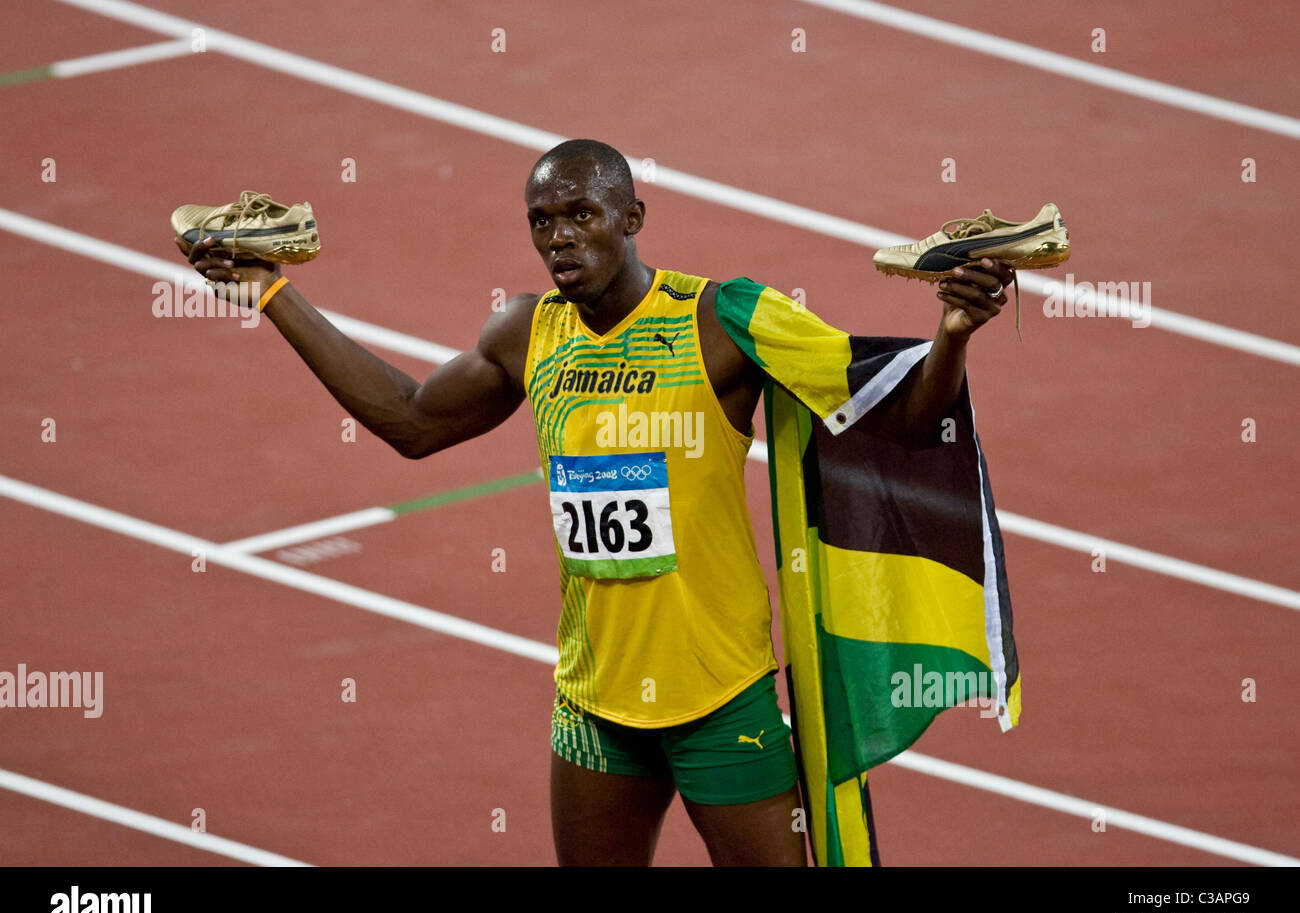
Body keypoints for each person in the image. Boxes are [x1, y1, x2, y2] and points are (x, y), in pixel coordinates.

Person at [178, 139, 1015, 866]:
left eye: (581, 213)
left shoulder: (721, 318)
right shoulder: (527, 332)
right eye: (543, 221)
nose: (559, 237)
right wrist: (272, 295)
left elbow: (898, 414)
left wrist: (952, 333)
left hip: (721, 698)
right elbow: (410, 422)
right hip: (594, 706)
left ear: (632, 216)